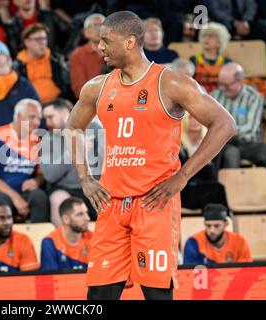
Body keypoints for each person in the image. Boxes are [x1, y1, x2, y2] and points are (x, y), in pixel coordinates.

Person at [65, 11, 236, 300]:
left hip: (154, 203)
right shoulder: (97, 87)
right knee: (98, 296)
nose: (100, 47)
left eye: (106, 41)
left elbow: (225, 125)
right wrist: (85, 178)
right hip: (111, 204)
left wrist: (182, 177)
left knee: (157, 295)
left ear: (130, 42)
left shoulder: (170, 83)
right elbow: (72, 127)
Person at [211, 63, 266, 201]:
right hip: (224, 143)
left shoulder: (254, 97)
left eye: (227, 85)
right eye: (221, 84)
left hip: (247, 143)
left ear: (239, 81)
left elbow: (250, 128)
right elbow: (210, 124)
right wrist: (226, 132)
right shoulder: (215, 95)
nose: (222, 88)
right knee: (231, 154)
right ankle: (231, 200)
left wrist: (226, 129)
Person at [0, 98, 49, 223]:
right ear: (18, 115)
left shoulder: (37, 140)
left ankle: (37, 238)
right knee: (2, 203)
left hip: (24, 192)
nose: (37, 122)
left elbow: (41, 174)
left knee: (40, 197)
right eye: (32, 117)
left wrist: (36, 182)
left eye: (39, 118)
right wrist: (15, 197)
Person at [40, 98, 102, 225]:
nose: (47, 123)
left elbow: (108, 160)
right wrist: (73, 150)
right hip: (65, 189)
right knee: (58, 199)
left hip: (95, 185)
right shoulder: (47, 140)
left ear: (64, 113)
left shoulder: (94, 128)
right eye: (45, 118)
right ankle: (62, 243)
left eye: (50, 117)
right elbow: (50, 176)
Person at [13, 23, 70, 104]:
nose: (43, 42)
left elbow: (67, 84)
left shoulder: (55, 60)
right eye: (38, 39)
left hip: (57, 102)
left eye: (44, 38)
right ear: (27, 42)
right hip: (32, 105)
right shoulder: (18, 66)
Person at [183, 203, 252, 264]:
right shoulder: (193, 243)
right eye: (208, 226)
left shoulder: (239, 241)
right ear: (204, 223)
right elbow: (190, 274)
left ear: (226, 224)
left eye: (217, 226)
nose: (212, 230)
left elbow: (245, 271)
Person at [0, 0, 70, 56]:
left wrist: (64, 55)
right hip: (28, 68)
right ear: (15, 2)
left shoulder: (49, 16)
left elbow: (70, 33)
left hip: (53, 64)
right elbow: (15, 52)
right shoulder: (11, 26)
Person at [40, 197, 93, 271]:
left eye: (86, 213)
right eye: (80, 214)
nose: (87, 218)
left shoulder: (94, 239)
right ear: (66, 219)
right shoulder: (50, 242)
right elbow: (51, 278)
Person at [69, 13, 106, 99]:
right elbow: (79, 89)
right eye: (94, 26)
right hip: (91, 101)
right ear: (85, 32)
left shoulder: (116, 50)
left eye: (102, 25)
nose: (99, 29)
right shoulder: (78, 55)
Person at [189, 22, 232, 93]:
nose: (206, 38)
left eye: (211, 36)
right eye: (204, 36)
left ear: (219, 41)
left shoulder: (226, 62)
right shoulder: (193, 60)